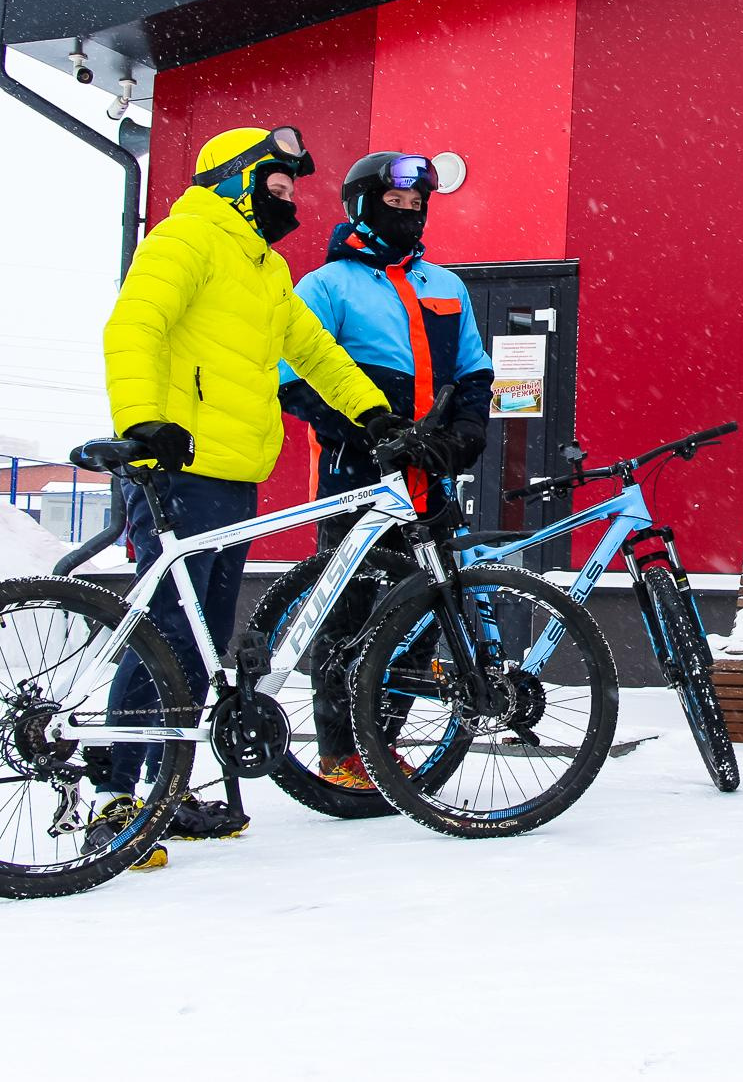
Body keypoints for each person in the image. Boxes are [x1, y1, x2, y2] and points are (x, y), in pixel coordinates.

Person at [90, 125, 396, 866]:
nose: (288, 198)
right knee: (164, 628)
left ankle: (165, 785)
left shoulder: (262, 269)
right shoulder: (186, 238)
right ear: (234, 180)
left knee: (201, 635)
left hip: (232, 473)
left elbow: (316, 351)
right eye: (277, 184)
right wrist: (142, 422)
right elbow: (134, 325)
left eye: (293, 188)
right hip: (176, 464)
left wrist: (378, 414)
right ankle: (112, 797)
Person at [278, 152, 494, 788]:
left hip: (429, 469)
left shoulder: (445, 286)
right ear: (362, 208)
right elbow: (294, 382)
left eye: (417, 206)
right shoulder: (327, 286)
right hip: (355, 471)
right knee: (347, 610)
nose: (409, 214)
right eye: (395, 204)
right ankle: (340, 751)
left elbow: (475, 369)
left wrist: (468, 434)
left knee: (430, 604)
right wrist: (362, 433)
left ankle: (383, 740)